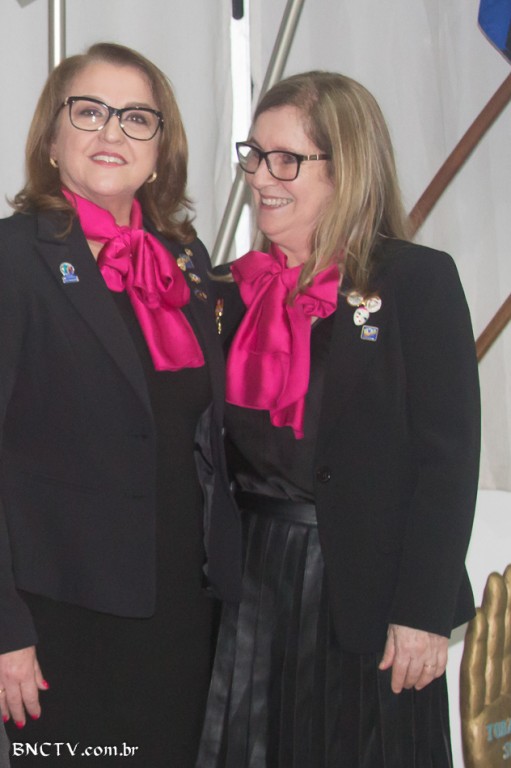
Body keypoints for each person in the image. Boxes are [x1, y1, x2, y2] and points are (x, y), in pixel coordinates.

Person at [196, 71, 480, 768]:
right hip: (245, 590)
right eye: (254, 155)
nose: (261, 177)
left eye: (286, 159)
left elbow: (447, 463)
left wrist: (421, 612)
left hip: (367, 594)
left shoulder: (415, 281)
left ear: (345, 166)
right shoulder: (224, 290)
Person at [0, 42, 240, 767]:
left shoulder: (185, 259)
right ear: (51, 137)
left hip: (185, 610)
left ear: (161, 151)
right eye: (90, 112)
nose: (113, 132)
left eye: (137, 118)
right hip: (60, 620)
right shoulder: (14, 258)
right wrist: (5, 630)